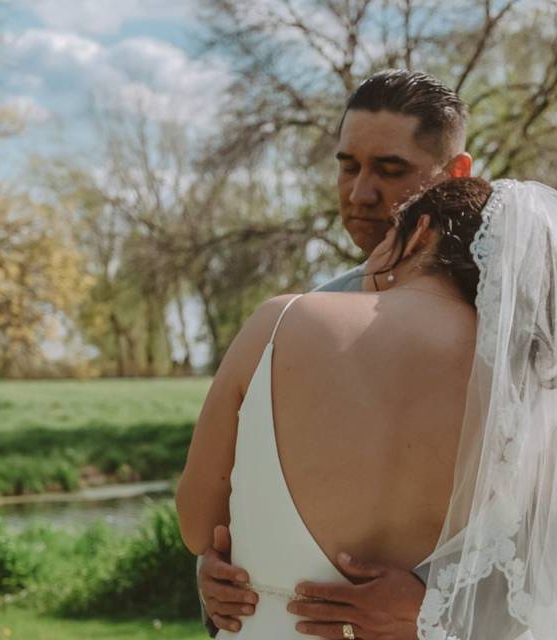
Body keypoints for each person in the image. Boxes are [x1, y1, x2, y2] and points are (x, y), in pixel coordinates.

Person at [184, 69, 474, 637]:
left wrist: (437, 606)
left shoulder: (517, 334)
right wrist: (219, 566)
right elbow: (215, 510)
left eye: (391, 170)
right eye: (348, 166)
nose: (360, 193)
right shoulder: (304, 312)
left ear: (454, 174)